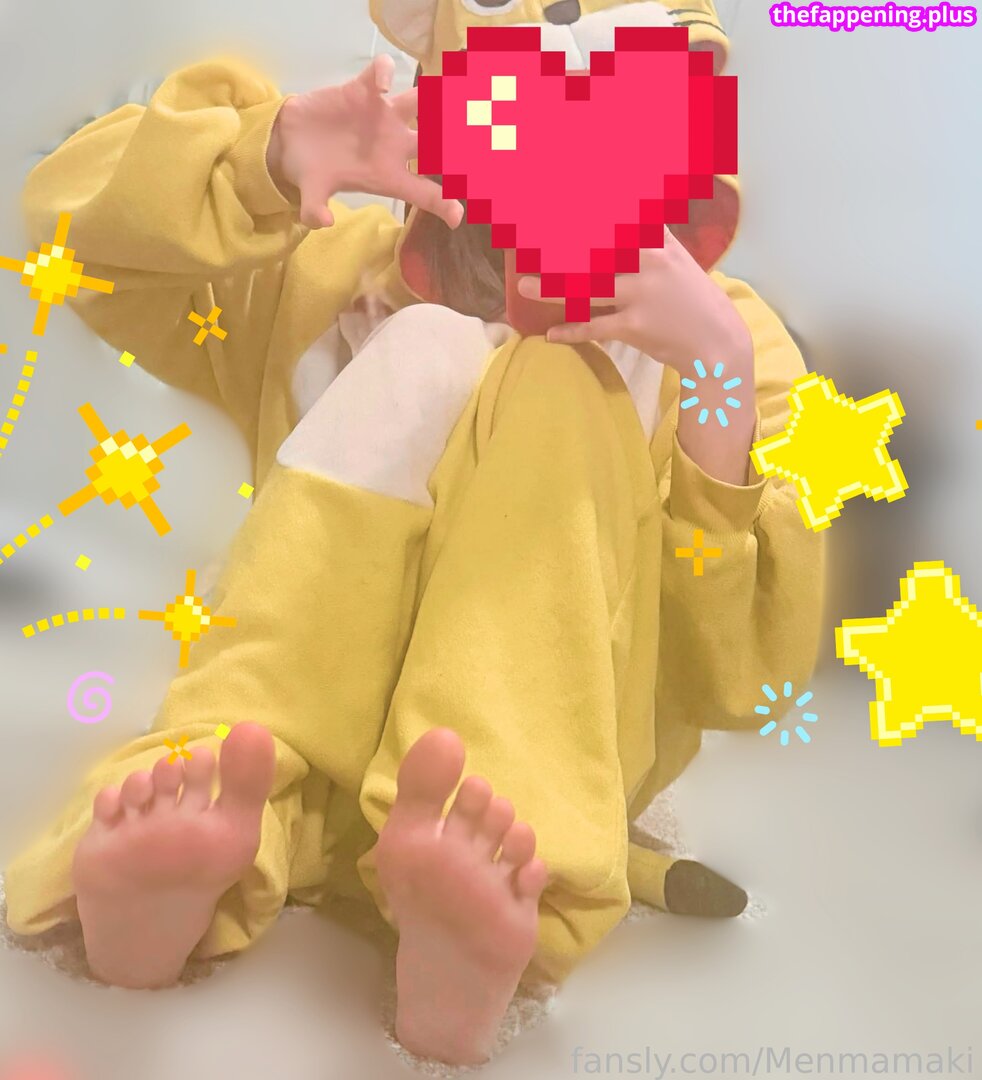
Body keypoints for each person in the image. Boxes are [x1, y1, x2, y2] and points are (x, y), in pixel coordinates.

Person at [5, 0, 823, 1065]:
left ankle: (481, 873)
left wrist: (714, 382)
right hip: (303, 762)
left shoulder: (729, 340)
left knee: (552, 387)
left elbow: (746, 677)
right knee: (426, 347)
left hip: (540, 785)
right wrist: (266, 156)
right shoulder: (331, 275)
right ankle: (217, 827)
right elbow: (64, 233)